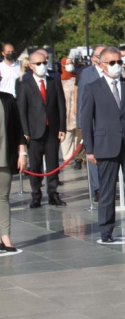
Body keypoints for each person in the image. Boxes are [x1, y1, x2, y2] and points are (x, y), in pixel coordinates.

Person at [81, 46, 125, 243]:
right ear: (102, 65)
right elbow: (86, 121)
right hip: (105, 144)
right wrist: (90, 149)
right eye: (112, 63)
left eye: (119, 62)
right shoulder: (92, 87)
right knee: (107, 190)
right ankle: (106, 229)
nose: (117, 66)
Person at [17, 51, 67, 208]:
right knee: (36, 164)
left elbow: (61, 105)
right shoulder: (25, 85)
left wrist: (62, 127)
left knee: (53, 163)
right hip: (34, 132)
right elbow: (22, 110)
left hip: (52, 130)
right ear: (31, 66)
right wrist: (25, 131)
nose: (42, 66)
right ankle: (36, 195)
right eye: (38, 64)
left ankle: (53, 193)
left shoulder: (54, 81)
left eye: (44, 63)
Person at [77, 44, 106, 198]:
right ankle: (97, 188)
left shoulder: (113, 72)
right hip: (93, 121)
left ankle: (108, 186)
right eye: (99, 55)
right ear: (94, 58)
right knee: (93, 156)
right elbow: (81, 99)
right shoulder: (87, 73)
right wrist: (81, 123)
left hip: (109, 121)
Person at [0, 89, 28, 253]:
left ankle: (5, 236)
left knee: (2, 198)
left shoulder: (7, 99)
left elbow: (18, 129)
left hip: (4, 156)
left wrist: (22, 153)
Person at [59, 57, 79, 169]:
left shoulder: (76, 78)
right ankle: (67, 157)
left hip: (76, 109)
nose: (70, 65)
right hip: (66, 110)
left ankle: (76, 155)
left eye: (71, 63)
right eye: (67, 63)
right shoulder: (60, 80)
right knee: (67, 135)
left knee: (77, 134)